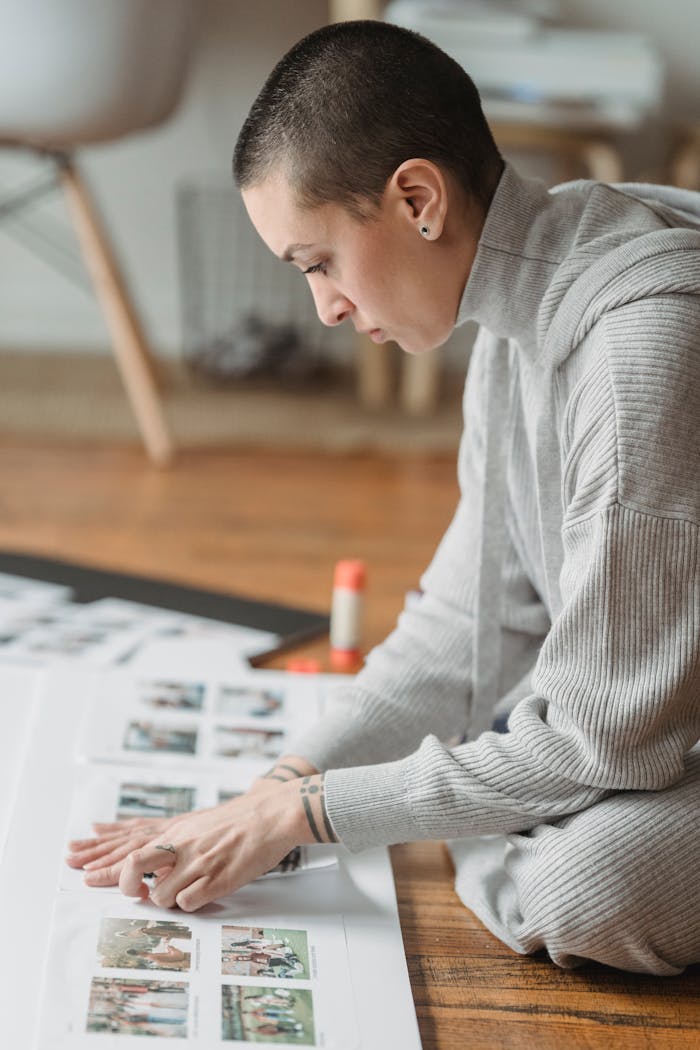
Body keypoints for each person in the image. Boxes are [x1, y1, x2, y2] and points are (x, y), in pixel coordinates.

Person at [65, 20, 700, 976]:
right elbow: (465, 622)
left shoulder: (634, 356)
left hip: (636, 727)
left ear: (416, 199)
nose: (322, 307)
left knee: (583, 890)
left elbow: (601, 736)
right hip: (647, 714)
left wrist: (322, 815)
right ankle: (492, 804)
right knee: (527, 780)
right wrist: (284, 786)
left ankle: (493, 812)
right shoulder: (517, 315)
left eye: (317, 263)